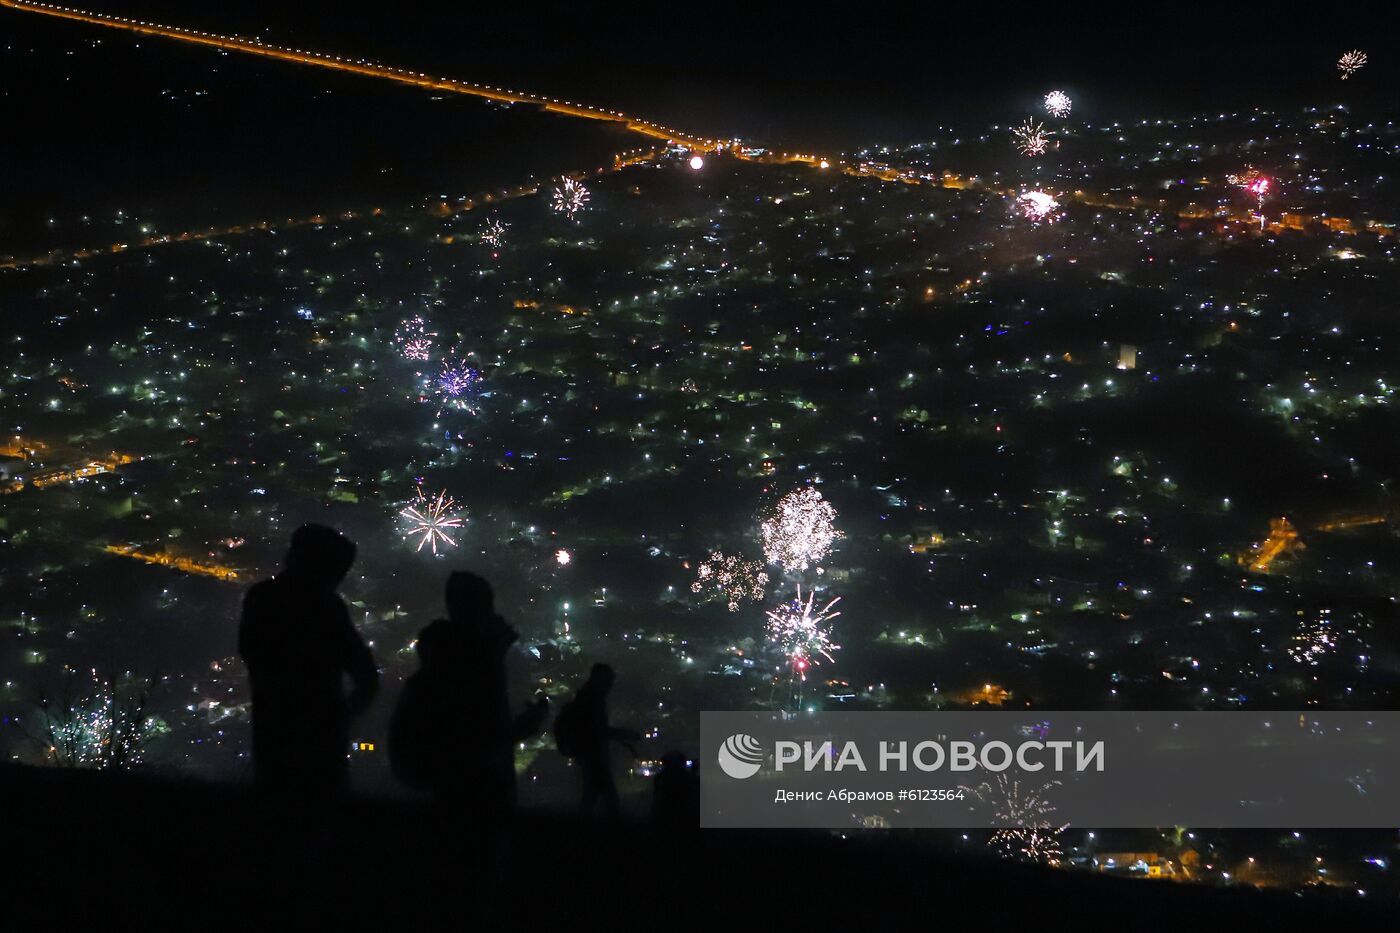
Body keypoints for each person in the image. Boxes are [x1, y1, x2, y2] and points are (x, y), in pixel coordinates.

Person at [389, 571, 548, 822]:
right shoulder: (470, 669)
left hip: (453, 797)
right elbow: (478, 740)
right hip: (475, 802)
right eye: (486, 606)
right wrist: (528, 723)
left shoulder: (439, 664)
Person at [238, 524, 378, 795]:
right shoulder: (327, 605)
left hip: (273, 722)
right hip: (319, 729)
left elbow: (251, 651)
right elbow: (364, 671)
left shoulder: (262, 597)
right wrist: (345, 712)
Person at [554, 663, 641, 820]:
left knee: (591, 795)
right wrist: (625, 735)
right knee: (607, 797)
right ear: (601, 679)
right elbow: (596, 730)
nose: (610, 686)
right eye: (608, 681)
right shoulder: (592, 699)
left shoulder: (586, 696)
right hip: (594, 755)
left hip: (589, 755)